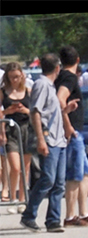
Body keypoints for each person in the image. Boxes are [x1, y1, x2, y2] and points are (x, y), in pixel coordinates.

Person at [21, 54, 67, 232]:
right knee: (47, 178)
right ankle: (29, 215)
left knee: (59, 182)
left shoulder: (50, 86)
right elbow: (35, 112)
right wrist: (41, 139)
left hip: (59, 139)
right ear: (57, 68)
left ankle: (53, 220)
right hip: (49, 139)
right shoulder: (42, 85)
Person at [55, 47, 88, 227]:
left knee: (84, 172)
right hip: (72, 132)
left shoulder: (63, 75)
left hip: (77, 132)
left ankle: (83, 212)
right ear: (78, 59)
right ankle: (70, 216)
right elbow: (60, 98)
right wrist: (67, 125)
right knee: (74, 174)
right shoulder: (69, 77)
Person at [2, 63, 30, 207]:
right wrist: (8, 112)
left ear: (22, 76)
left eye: (17, 77)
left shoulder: (28, 91)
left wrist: (25, 110)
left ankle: (22, 199)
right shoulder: (2, 92)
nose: (14, 80)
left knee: (25, 168)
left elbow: (36, 113)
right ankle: (12, 196)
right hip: (10, 130)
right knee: (15, 167)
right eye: (11, 77)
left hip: (26, 129)